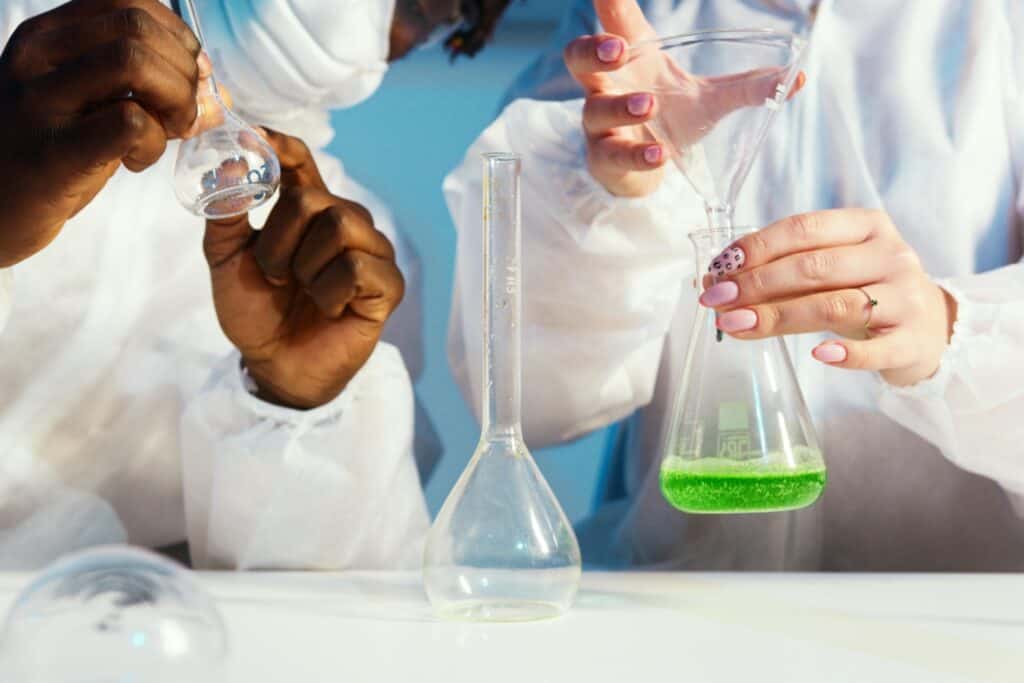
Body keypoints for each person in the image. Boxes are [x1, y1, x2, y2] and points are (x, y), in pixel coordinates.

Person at [445, 0, 1024, 569]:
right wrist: (614, 192)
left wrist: (947, 329)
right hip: (689, 593)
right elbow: (535, 394)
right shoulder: (640, 25)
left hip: (951, 602)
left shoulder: (998, 21)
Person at [0, 0, 514, 569]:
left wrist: (294, 407)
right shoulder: (26, 78)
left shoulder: (338, 251)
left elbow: (335, 608)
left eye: (422, 9)